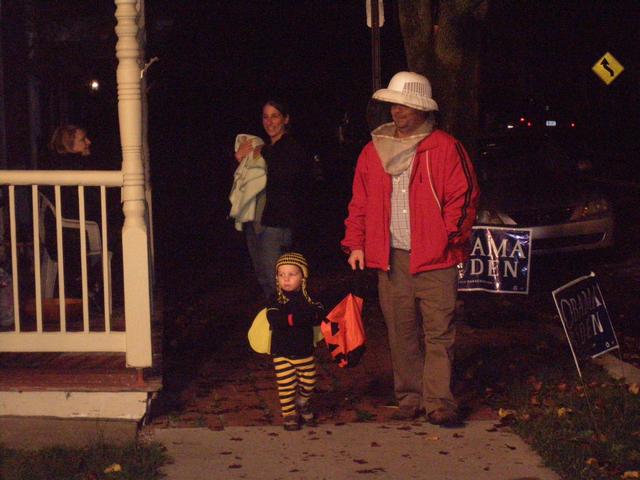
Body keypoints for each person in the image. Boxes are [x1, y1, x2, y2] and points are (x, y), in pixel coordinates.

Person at [341, 72, 480, 426]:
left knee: (438, 330)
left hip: (436, 258)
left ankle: (438, 401)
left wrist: (448, 238)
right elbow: (360, 201)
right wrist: (355, 242)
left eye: (404, 104)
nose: (397, 110)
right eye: (394, 103)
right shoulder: (373, 150)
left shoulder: (444, 147)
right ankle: (410, 395)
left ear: (421, 108)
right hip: (391, 258)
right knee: (400, 330)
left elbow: (462, 198)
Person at [233, 100, 310, 301]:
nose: (270, 121)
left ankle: (291, 322)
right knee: (264, 277)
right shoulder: (264, 149)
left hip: (277, 224)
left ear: (285, 119)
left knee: (279, 278)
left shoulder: (290, 148)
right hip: (255, 222)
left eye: (275, 116)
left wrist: (261, 153)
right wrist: (241, 157)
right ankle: (276, 320)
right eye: (266, 116)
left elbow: (284, 177)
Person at [265, 252, 324, 431]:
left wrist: (303, 317)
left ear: (303, 276)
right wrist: (296, 319)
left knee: (309, 382)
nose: (286, 279)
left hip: (304, 350)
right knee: (286, 385)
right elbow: (275, 318)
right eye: (281, 275)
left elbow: (318, 313)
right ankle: (289, 413)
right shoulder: (275, 299)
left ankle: (303, 402)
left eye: (292, 274)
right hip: (282, 351)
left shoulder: (309, 298)